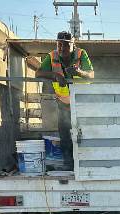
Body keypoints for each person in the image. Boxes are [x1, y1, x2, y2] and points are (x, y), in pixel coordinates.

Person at [36, 31, 94, 170]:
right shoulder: (52, 56)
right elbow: (38, 73)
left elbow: (91, 75)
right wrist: (55, 75)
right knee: (65, 136)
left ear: (73, 45)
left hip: (81, 104)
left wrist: (79, 72)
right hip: (63, 104)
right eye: (59, 44)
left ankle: (86, 163)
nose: (62, 48)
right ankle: (69, 165)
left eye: (66, 45)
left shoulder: (81, 54)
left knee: (83, 134)